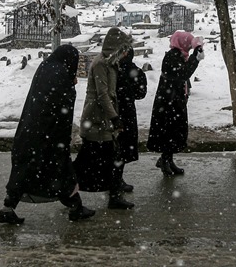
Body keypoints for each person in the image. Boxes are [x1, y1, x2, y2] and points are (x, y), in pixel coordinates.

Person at [0, 44, 95, 225]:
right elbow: (62, 105)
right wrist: (70, 85)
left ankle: (7, 208)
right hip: (50, 134)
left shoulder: (47, 67)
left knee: (25, 171)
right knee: (61, 170)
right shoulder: (60, 74)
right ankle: (75, 207)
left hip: (31, 130)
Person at [73, 27, 135, 210]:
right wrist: (115, 118)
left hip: (103, 120)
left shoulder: (111, 63)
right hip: (97, 120)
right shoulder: (101, 64)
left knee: (109, 157)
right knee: (94, 159)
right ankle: (68, 188)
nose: (126, 53)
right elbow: (102, 95)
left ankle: (112, 195)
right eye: (123, 48)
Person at [147, 30, 204, 177]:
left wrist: (194, 55)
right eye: (189, 45)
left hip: (174, 100)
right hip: (168, 102)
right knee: (169, 132)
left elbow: (184, 74)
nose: (190, 49)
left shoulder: (179, 55)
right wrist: (195, 59)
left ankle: (168, 160)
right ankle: (165, 161)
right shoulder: (172, 56)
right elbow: (183, 74)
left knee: (173, 132)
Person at [114, 47, 148, 192]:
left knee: (115, 146)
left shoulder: (113, 69)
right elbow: (141, 93)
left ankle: (113, 179)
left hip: (112, 110)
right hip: (126, 111)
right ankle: (116, 180)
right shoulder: (135, 71)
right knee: (123, 147)